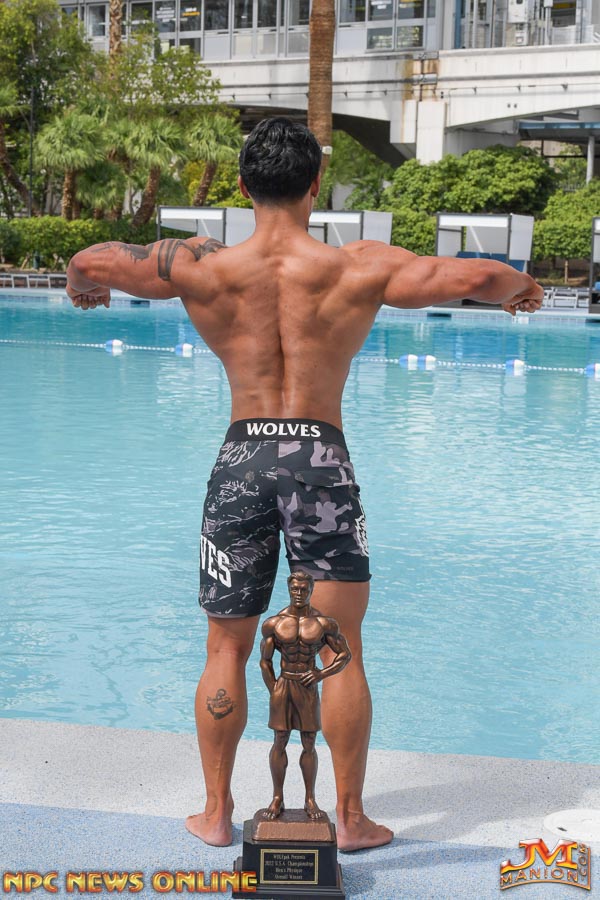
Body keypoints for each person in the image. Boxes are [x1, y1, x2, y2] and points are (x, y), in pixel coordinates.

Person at [65, 116, 544, 852]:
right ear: (316, 184)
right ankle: (348, 819)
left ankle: (216, 813)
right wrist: (523, 288)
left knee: (226, 647)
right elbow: (479, 276)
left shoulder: (199, 264)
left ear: (241, 185)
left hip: (242, 456)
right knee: (339, 643)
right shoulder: (358, 265)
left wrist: (79, 286)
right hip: (319, 458)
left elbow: (93, 259)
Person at [260, 569, 351, 823]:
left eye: (303, 589)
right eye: (295, 589)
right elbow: (265, 661)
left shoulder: (323, 624)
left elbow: (345, 655)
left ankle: (310, 799)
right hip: (284, 684)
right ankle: (277, 797)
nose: (299, 593)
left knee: (309, 742)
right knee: (280, 740)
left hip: (308, 685)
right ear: (289, 590)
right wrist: (273, 689)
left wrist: (321, 674)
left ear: (311, 590)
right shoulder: (274, 623)